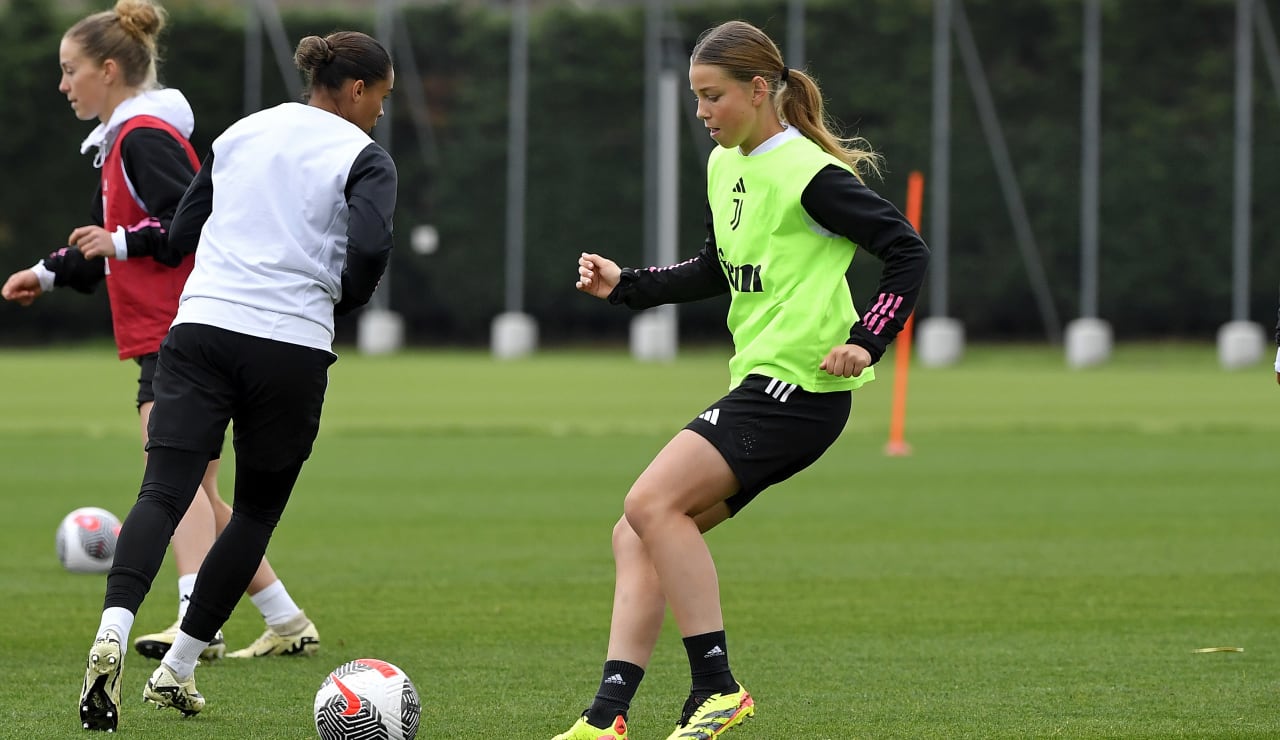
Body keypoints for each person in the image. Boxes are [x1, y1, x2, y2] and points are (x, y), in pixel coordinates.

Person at [554, 20, 930, 740]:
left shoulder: (812, 177)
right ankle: (607, 717)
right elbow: (713, 268)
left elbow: (906, 251)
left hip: (800, 389)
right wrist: (625, 285)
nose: (702, 113)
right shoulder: (726, 165)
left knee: (650, 501)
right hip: (763, 383)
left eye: (713, 96)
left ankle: (717, 688)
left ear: (760, 91)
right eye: (696, 98)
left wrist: (867, 340)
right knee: (636, 531)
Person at [75, 29, 396, 731]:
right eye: (382, 98)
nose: (380, 113)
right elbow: (370, 246)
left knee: (163, 489)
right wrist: (341, 298)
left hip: (199, 330)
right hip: (289, 346)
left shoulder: (244, 132)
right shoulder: (365, 156)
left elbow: (182, 232)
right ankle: (178, 667)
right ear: (357, 90)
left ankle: (113, 632)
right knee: (252, 512)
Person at [0, 0, 319, 666]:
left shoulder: (143, 136)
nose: (63, 85)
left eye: (70, 70)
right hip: (168, 332)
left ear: (108, 70)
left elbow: (189, 223)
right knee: (195, 489)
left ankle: (193, 621)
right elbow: (102, 245)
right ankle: (284, 618)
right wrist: (45, 273)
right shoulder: (121, 139)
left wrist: (116, 242)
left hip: (185, 332)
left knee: (173, 484)